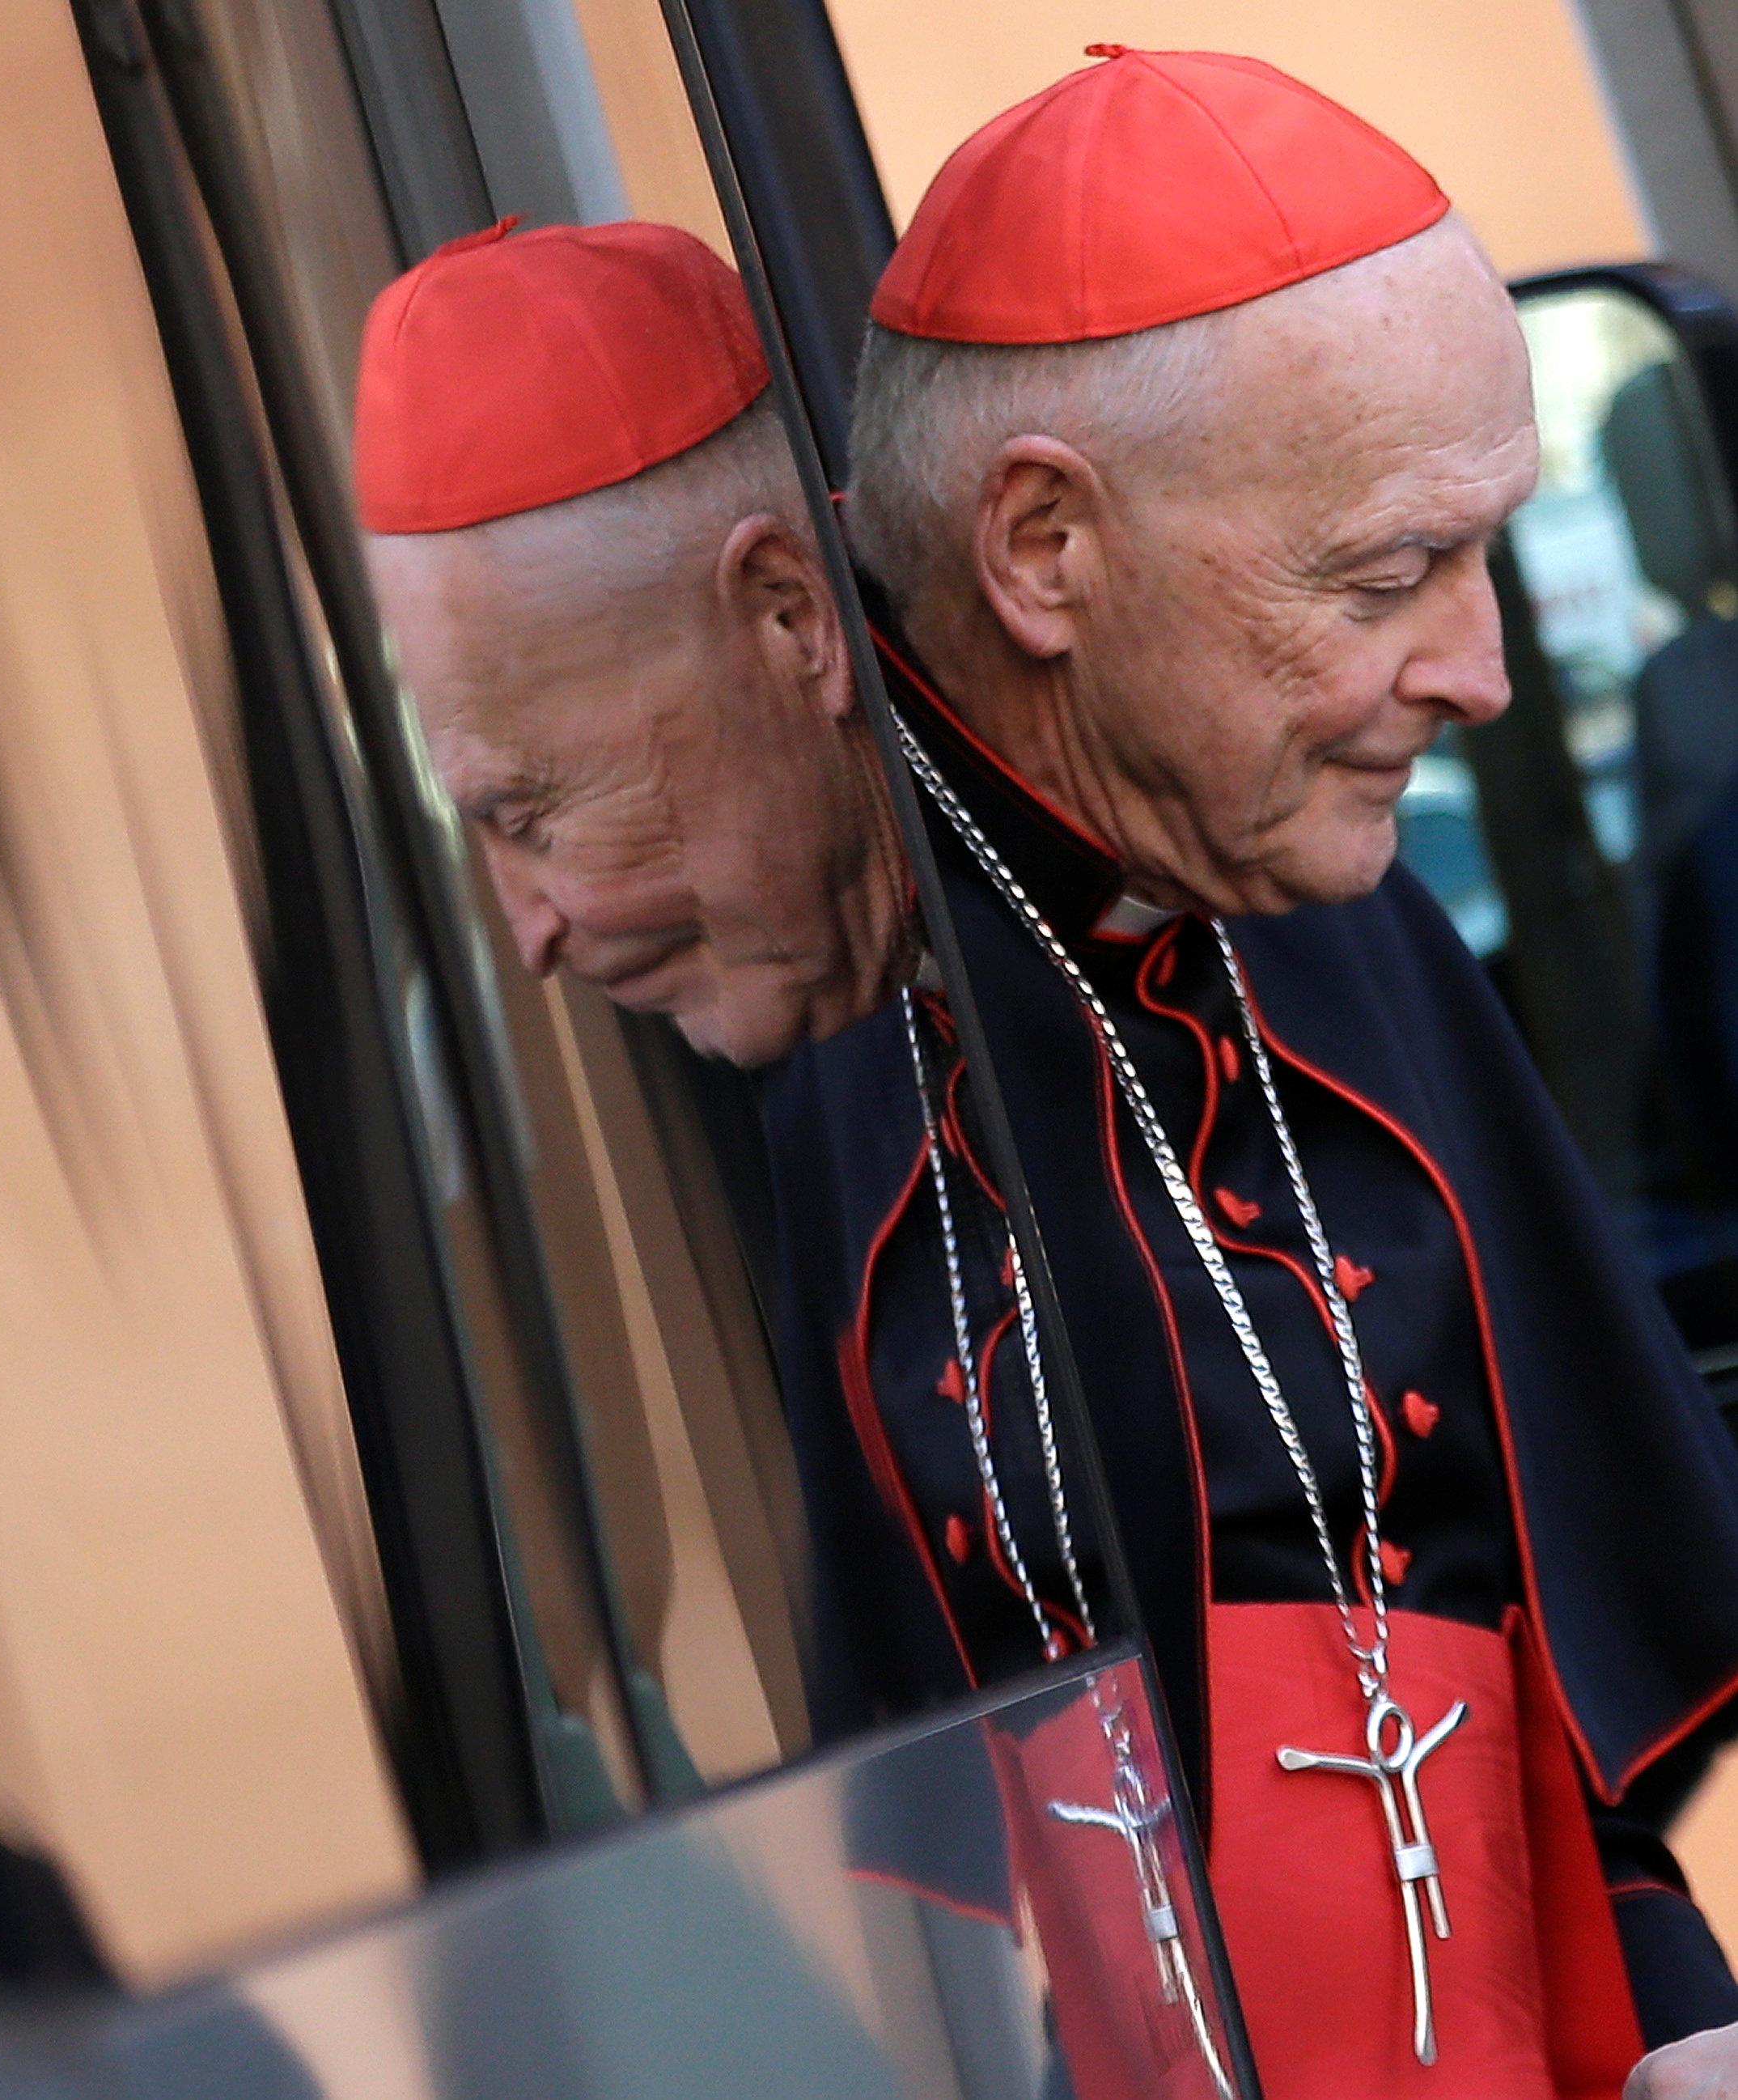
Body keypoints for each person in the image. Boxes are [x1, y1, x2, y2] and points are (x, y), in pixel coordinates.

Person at [352, 47, 1738, 2100]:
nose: (1480, 673)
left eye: (542, 806)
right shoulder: (774, 1030)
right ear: (1041, 551)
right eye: (1382, 575)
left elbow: (1535, 1635)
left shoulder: (1307, 884)